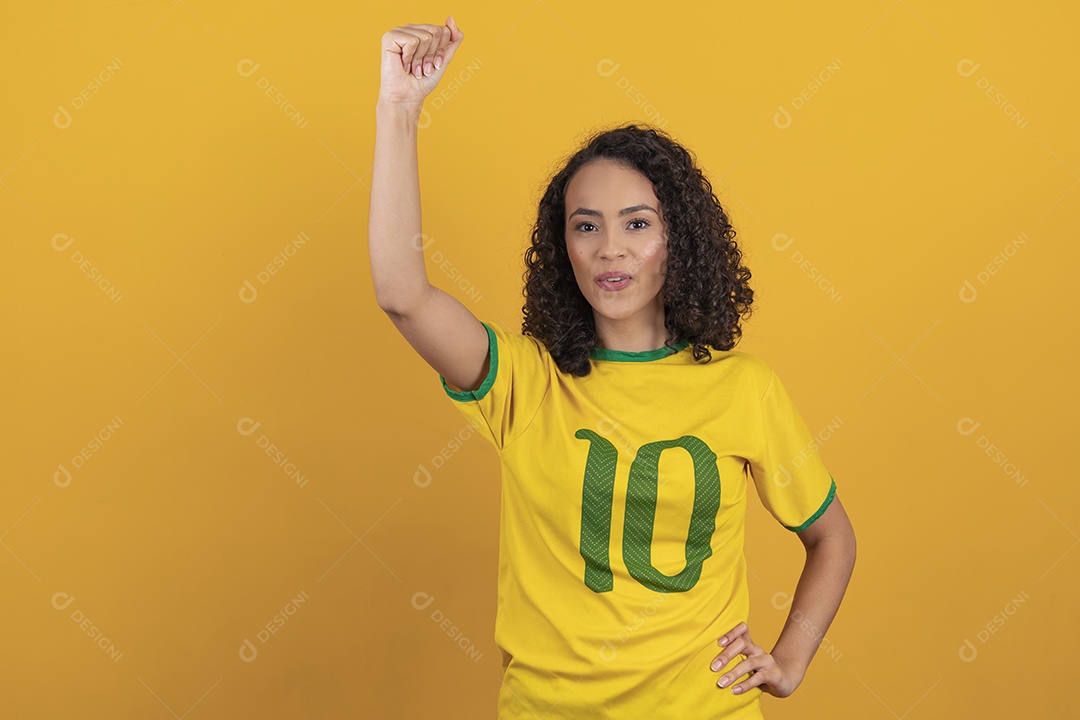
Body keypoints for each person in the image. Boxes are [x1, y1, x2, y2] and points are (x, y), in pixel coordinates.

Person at [369, 16, 857, 720]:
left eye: (637, 223)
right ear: (562, 246)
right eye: (586, 225)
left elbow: (831, 535)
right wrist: (398, 108)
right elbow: (402, 295)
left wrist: (790, 659)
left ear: (677, 239)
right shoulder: (525, 383)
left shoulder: (745, 389)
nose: (610, 249)